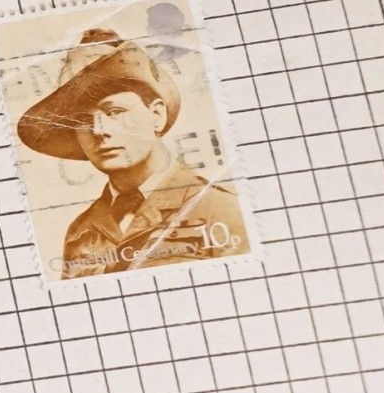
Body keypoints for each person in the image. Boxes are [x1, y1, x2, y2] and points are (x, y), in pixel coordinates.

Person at [15, 27, 248, 275]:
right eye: (82, 121)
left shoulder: (218, 207)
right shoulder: (80, 233)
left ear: (156, 115)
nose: (99, 130)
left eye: (115, 112)